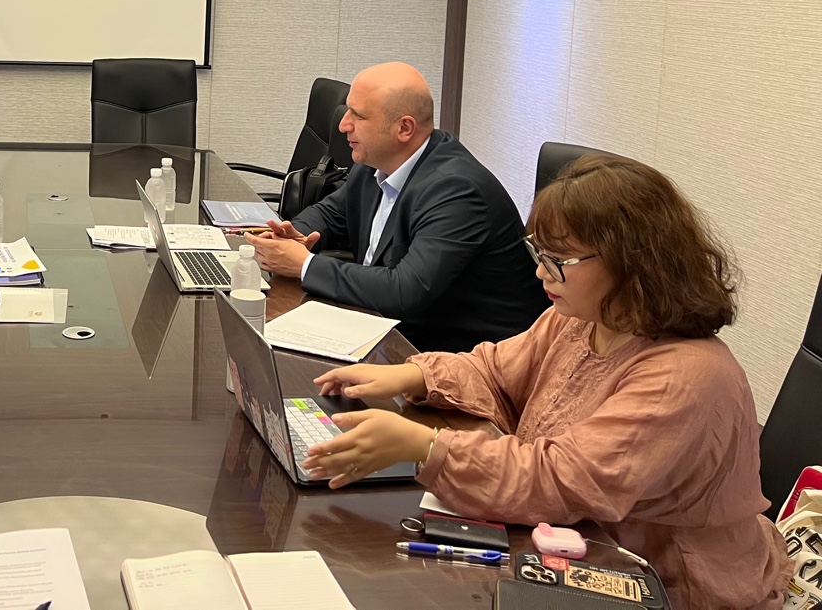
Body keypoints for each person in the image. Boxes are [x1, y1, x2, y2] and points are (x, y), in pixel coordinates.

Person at [300, 155, 792, 610]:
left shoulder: (685, 376)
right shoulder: (581, 318)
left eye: (558, 259)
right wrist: (410, 374)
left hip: (667, 586)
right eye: (539, 252)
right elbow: (496, 369)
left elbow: (559, 480)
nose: (540, 271)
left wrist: (425, 446)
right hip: (575, 551)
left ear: (632, 261)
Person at [246, 62, 546, 351]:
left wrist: (304, 264)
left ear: (404, 128)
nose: (343, 124)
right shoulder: (375, 163)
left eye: (358, 115)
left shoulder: (456, 191)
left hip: (460, 357)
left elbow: (405, 291)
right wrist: (293, 235)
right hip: (384, 330)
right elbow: (331, 213)